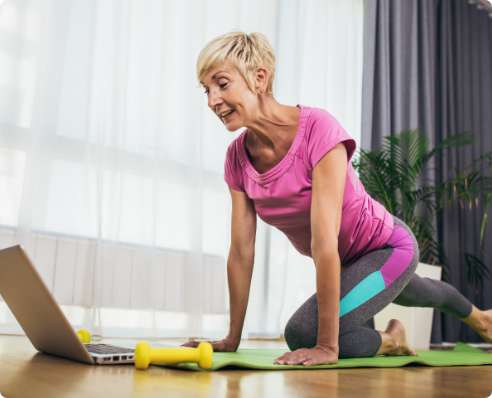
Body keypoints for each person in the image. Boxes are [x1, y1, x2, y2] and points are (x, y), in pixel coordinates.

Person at [183, 31, 492, 366]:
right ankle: (467, 321)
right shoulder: (237, 159)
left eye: (222, 84)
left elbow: (324, 240)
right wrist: (232, 338)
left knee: (304, 332)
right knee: (414, 289)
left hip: (387, 247)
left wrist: (326, 347)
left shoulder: (318, 128)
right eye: (206, 89)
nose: (212, 100)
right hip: (350, 263)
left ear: (259, 77)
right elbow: (241, 252)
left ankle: (409, 336)